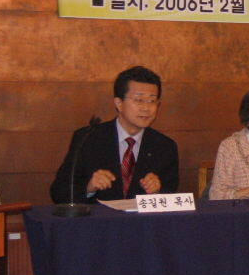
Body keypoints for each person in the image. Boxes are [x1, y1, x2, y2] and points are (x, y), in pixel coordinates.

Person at [50, 66, 179, 203]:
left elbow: (172, 198)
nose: (146, 108)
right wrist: (89, 188)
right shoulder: (88, 138)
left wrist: (158, 192)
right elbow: (59, 193)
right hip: (98, 217)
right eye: (138, 100)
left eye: (152, 101)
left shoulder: (165, 146)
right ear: (119, 103)